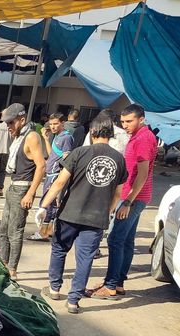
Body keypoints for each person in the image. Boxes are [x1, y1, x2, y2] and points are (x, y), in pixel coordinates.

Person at [40, 115, 127, 313]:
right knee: (85, 258)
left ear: (93, 132)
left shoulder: (80, 152)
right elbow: (118, 194)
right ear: (111, 134)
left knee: (59, 249)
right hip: (96, 218)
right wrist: (107, 212)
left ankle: (54, 288)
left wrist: (44, 206)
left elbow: (60, 182)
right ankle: (73, 300)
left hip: (70, 213)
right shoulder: (119, 159)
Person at [90, 104, 156, 299]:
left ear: (141, 119)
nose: (125, 125)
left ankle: (111, 285)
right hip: (135, 196)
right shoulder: (138, 137)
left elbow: (142, 174)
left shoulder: (143, 139)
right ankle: (117, 283)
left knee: (115, 239)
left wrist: (127, 202)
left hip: (133, 198)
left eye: (129, 121)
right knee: (126, 241)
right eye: (123, 122)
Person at [0, 103, 46, 279]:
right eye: (7, 123)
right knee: (4, 229)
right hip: (14, 186)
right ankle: (2, 262)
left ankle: (12, 269)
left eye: (11, 123)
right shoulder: (18, 136)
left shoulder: (31, 137)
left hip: (23, 188)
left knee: (15, 231)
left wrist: (31, 193)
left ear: (22, 119)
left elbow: (41, 165)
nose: (9, 127)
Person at [29, 112, 74, 241]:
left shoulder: (66, 138)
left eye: (56, 124)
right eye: (51, 124)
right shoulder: (57, 137)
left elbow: (67, 157)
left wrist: (61, 176)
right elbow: (52, 154)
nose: (53, 126)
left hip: (55, 175)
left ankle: (43, 231)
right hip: (50, 173)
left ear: (63, 123)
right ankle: (48, 230)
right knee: (51, 204)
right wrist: (46, 139)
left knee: (47, 203)